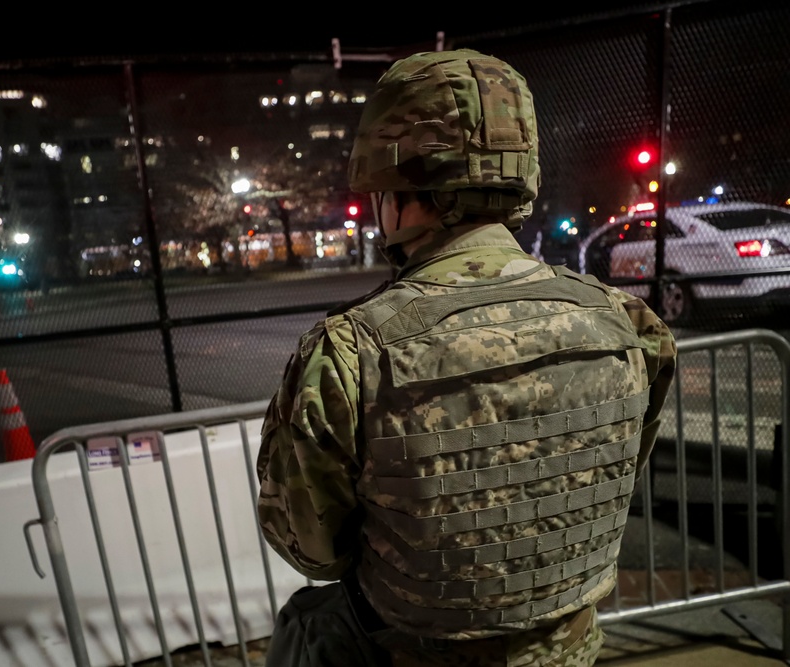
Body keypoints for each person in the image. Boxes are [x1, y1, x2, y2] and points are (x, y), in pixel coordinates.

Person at [256, 48, 677, 667]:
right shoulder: (629, 323)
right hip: (572, 652)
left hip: (410, 654)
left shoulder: (349, 353)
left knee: (306, 627)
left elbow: (310, 548)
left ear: (401, 190)